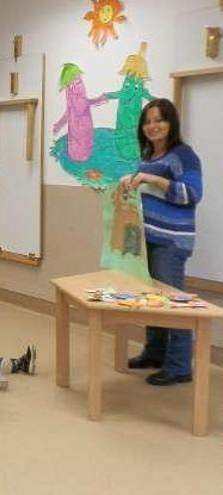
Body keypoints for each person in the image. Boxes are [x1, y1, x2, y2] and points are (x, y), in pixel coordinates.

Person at [122, 98, 203, 386]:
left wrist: (152, 180)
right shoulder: (148, 157)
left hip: (171, 242)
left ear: (171, 123)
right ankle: (155, 353)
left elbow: (192, 193)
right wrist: (131, 181)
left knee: (173, 302)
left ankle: (180, 365)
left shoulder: (184, 155)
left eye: (159, 120)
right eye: (147, 121)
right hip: (148, 240)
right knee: (152, 300)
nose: (152, 126)